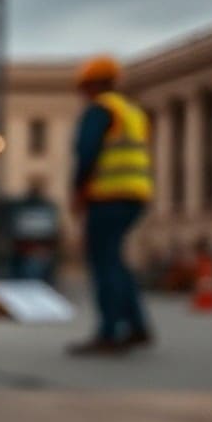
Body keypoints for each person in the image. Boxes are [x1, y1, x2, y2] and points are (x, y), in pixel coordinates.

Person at [67, 54, 154, 356]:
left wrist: (78, 191)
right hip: (136, 195)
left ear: (92, 85)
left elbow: (86, 152)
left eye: (83, 87)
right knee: (115, 259)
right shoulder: (132, 112)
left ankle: (110, 332)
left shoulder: (99, 110)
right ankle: (137, 326)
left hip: (108, 196)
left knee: (103, 262)